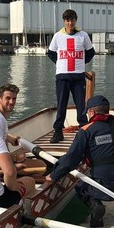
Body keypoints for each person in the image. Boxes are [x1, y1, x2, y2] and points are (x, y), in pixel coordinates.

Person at [46, 95, 114, 227]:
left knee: (79, 185)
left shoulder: (86, 131)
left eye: (88, 113)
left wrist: (54, 175)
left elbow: (71, 159)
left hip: (104, 187)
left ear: (92, 112)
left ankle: (96, 207)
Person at [47, 9, 95, 143]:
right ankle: (58, 131)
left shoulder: (83, 35)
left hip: (78, 76)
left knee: (81, 105)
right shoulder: (58, 36)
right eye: (67, 20)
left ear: (76, 20)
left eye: (72, 19)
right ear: (64, 21)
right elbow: (50, 53)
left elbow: (91, 52)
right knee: (61, 104)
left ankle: (84, 130)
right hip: (62, 76)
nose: (70, 22)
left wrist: (81, 62)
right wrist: (61, 62)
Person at [0, 83, 26, 163]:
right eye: (8, 98)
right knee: (41, 165)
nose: (11, 102)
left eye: (14, 99)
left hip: (0, 161)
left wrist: (9, 138)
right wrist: (16, 158)